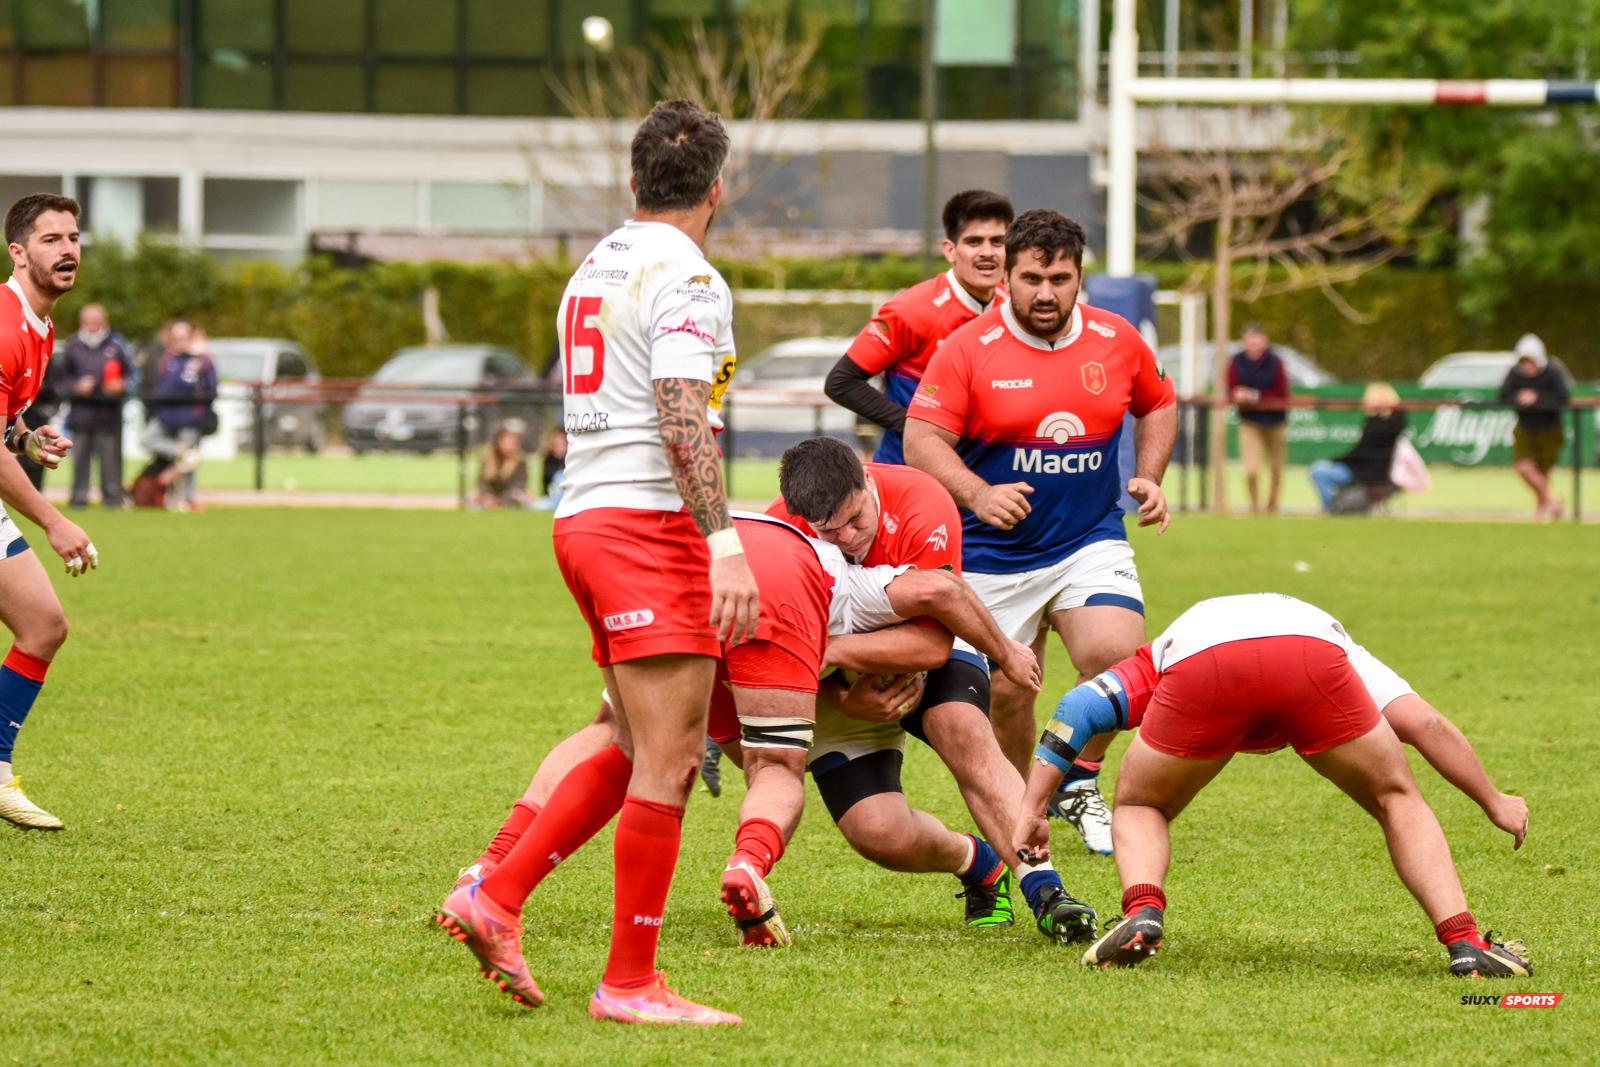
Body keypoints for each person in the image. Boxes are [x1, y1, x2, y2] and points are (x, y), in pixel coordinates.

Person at [436, 100, 759, 1027]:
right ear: (718, 189)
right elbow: (679, 413)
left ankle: (494, 898)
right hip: (645, 528)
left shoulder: (598, 261)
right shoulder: (690, 274)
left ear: (633, 182)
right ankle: (629, 982)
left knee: (627, 739)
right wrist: (725, 542)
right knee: (670, 756)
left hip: (585, 519)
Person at [454, 511, 1057, 953]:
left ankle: (490, 871)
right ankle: (747, 865)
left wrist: (986, 656)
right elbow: (937, 588)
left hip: (654, 558)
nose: (850, 535)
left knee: (620, 733)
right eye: (838, 525)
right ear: (814, 523)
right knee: (771, 766)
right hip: (777, 632)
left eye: (857, 523)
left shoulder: (864, 522)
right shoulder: (838, 568)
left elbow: (936, 606)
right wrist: (1006, 653)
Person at [1014, 593, 1532, 979]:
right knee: (1395, 797)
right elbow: (1427, 726)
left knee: (1141, 803)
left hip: (1205, 664)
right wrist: (1494, 801)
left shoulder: (1159, 657)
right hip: (1308, 657)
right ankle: (1466, 944)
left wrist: (1035, 806)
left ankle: (1144, 912)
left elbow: (1077, 708)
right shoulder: (1338, 643)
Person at [902, 208, 1177, 856]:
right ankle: (1022, 804)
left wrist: (1150, 475)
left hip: (1087, 538)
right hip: (991, 553)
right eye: (1032, 278)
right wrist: (977, 491)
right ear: (1009, 279)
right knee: (1004, 695)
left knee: (1117, 657)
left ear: (1080, 275)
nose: (1047, 293)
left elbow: (1159, 401)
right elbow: (921, 437)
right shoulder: (969, 347)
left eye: (1060, 277)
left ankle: (1079, 776)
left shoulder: (1116, 338)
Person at [767, 437, 1098, 943]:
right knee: (877, 835)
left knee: (963, 730)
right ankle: (978, 863)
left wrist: (832, 652)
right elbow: (781, 646)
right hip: (836, 685)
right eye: (829, 533)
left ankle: (1046, 890)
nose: (849, 540)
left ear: (866, 480)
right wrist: (839, 698)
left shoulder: (922, 501)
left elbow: (930, 645)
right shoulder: (779, 530)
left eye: (857, 520)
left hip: (923, 647)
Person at [0, 193, 100, 831]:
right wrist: (54, 521)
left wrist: (29, 438)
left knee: (42, 624)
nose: (67, 250)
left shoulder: (38, 324)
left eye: (72, 237)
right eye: (50, 239)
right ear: (18, 252)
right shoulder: (6, 324)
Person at [824, 191, 1013, 464]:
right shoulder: (912, 309)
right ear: (950, 250)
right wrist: (916, 429)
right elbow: (841, 382)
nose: (987, 252)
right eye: (974, 242)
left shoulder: (1013, 309)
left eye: (997, 242)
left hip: (979, 475)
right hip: (908, 476)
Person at [139, 325, 216, 512]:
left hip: (189, 418)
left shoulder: (202, 361)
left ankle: (187, 499)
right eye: (176, 338)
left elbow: (211, 390)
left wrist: (197, 413)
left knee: (188, 463)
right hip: (166, 416)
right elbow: (161, 386)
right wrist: (176, 449)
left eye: (183, 338)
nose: (179, 342)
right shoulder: (168, 359)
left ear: (191, 338)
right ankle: (181, 451)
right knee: (148, 439)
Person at [61, 303, 130, 508]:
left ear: (104, 321)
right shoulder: (72, 345)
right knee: (79, 461)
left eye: (96, 320)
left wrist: (121, 386)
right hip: (81, 414)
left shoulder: (117, 346)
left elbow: (131, 376)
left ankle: (112, 500)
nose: (91, 325)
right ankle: (78, 499)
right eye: (88, 321)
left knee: (111, 463)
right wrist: (75, 387)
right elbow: (60, 380)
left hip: (109, 415)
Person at [1498, 334, 1571, 521]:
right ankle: (1552, 502)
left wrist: (1537, 398)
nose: (1527, 366)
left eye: (1530, 362)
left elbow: (1563, 398)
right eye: (1524, 362)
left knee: (1542, 472)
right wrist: (1520, 399)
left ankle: (1538, 513)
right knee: (1523, 467)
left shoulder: (1554, 371)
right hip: (1525, 427)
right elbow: (1503, 396)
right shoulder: (1515, 374)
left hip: (1550, 428)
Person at [1309, 382, 1407, 513]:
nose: (1364, 402)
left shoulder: (1378, 425)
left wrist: (1337, 461)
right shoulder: (1389, 424)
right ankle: (1335, 505)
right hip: (1365, 470)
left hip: (1362, 472)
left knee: (1318, 472)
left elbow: (1361, 452)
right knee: (1321, 469)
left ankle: (1330, 508)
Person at [1228, 323, 1290, 514]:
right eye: (1250, 339)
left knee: (1276, 469)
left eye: (1257, 339)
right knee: (1251, 469)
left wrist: (1253, 396)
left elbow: (1281, 392)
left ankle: (1272, 508)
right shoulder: (1236, 363)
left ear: (1265, 341)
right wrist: (1237, 396)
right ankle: (1254, 508)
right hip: (1250, 421)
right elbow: (1230, 390)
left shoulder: (1275, 362)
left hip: (1276, 422)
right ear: (1244, 342)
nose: (1254, 343)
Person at [472, 426, 532, 509]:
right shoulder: (488, 460)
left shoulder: (520, 462)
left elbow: (518, 485)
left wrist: (502, 500)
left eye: (512, 443)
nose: (509, 447)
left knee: (522, 496)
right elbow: (483, 482)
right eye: (505, 443)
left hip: (511, 497)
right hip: (490, 497)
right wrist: (488, 497)